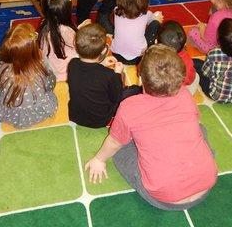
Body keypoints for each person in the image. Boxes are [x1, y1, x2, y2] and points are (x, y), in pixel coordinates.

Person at [85, 44, 217, 210]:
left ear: (140, 78)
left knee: (120, 149)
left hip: (164, 199)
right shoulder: (185, 94)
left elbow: (113, 143)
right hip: (206, 184)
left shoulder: (129, 106)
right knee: (200, 129)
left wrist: (99, 159)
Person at [68, 23, 140, 128]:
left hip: (76, 116)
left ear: (76, 45)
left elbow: (89, 73)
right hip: (100, 120)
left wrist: (101, 64)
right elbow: (116, 97)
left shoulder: (72, 64)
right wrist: (118, 73)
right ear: (104, 51)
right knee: (134, 90)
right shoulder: (109, 75)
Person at [0, 23, 57, 129]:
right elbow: (50, 84)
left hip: (12, 113)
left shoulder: (2, 67)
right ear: (33, 50)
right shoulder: (40, 66)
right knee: (50, 90)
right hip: (37, 113)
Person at [111, 0, 163, 65]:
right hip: (139, 58)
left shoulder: (116, 10)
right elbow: (153, 19)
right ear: (144, 1)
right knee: (155, 24)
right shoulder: (145, 14)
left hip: (116, 55)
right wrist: (157, 18)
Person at [37, 0, 79, 82]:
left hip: (50, 69)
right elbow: (79, 46)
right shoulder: (66, 30)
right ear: (66, 13)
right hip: (65, 73)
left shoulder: (44, 25)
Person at [157, 20, 196, 87]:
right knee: (196, 77)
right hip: (178, 90)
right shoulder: (187, 59)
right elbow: (189, 80)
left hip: (160, 89)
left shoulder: (155, 56)